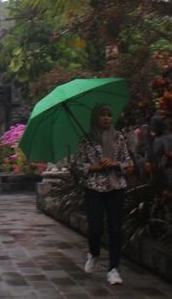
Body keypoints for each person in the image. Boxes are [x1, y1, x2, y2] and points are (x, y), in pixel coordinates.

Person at [71, 103, 132, 285]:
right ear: (95, 118)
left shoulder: (118, 138)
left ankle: (113, 269)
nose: (106, 118)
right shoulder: (86, 140)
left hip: (116, 187)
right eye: (102, 115)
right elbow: (77, 165)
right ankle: (94, 253)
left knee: (115, 229)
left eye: (109, 115)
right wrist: (94, 167)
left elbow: (128, 163)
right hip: (94, 188)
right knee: (95, 228)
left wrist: (114, 164)